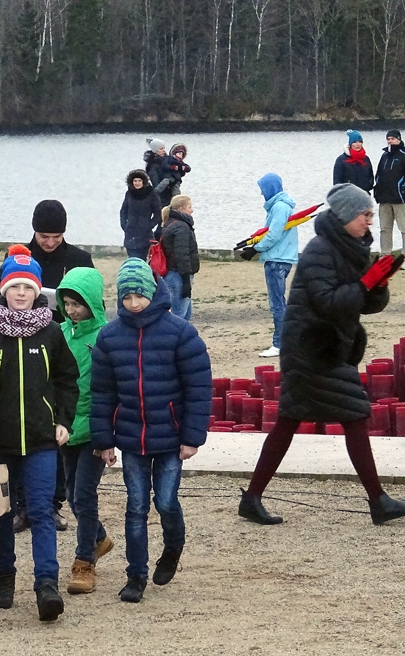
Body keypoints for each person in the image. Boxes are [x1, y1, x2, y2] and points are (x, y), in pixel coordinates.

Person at [238, 184, 405, 527]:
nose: (370, 222)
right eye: (365, 215)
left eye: (371, 215)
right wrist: (365, 283)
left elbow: (364, 304)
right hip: (311, 349)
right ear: (345, 216)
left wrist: (380, 283)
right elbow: (329, 302)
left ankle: (252, 498)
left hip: (328, 347)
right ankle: (379, 502)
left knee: (292, 420)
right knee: (352, 414)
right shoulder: (319, 251)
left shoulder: (349, 248)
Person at [90, 258, 212, 603]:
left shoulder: (181, 332)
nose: (133, 304)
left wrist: (192, 437)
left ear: (153, 292)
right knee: (136, 506)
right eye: (126, 298)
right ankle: (136, 576)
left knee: (167, 501)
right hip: (132, 439)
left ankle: (173, 546)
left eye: (139, 296)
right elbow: (102, 393)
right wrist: (104, 440)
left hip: (172, 438)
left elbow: (198, 387)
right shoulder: (110, 337)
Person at [0, 245, 79, 622]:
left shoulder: (50, 333)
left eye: (27, 288)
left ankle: (46, 585)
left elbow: (67, 380)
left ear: (37, 292)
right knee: (1, 514)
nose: (20, 293)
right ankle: (3, 578)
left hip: (42, 442)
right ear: (3, 290)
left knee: (41, 511)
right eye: (14, 286)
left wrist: (63, 419)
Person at [0, 198, 93, 532]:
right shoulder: (18, 258)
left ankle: (51, 504)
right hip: (19, 346)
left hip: (58, 343)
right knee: (21, 429)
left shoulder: (78, 259)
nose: (49, 243)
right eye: (43, 236)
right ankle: (21, 505)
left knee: (55, 430)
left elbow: (92, 304)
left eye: (56, 237)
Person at [54, 267, 113, 595]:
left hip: (94, 429)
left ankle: (84, 562)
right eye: (67, 303)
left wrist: (108, 433)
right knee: (72, 491)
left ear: (93, 302)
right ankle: (100, 538)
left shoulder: (105, 336)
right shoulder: (59, 333)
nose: (73, 309)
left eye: (78, 303)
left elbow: (111, 389)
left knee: (83, 495)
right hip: (64, 428)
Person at [239, 173, 297, 358]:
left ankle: (280, 344)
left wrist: (255, 249)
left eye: (263, 190)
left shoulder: (280, 207)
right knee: (279, 302)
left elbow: (274, 234)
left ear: (270, 189)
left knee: (277, 303)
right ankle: (288, 341)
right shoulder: (280, 206)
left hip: (277, 259)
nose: (261, 194)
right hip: (280, 257)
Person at [160, 195, 200, 321]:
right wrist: (186, 280)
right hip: (178, 275)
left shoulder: (171, 223)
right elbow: (181, 255)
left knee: (184, 316)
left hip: (174, 273)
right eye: (190, 207)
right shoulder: (181, 227)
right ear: (182, 209)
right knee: (178, 317)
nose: (192, 210)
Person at [374, 129, 405, 255]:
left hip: (400, 198)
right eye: (388, 139)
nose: (390, 141)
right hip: (384, 198)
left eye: (392, 138)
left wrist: (401, 188)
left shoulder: (403, 154)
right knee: (384, 229)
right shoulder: (385, 155)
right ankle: (385, 255)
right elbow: (378, 174)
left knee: (404, 229)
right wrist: (378, 189)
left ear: (399, 139)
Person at [120, 170, 163, 260]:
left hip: (145, 233)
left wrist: (149, 225)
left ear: (144, 181)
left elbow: (158, 213)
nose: (137, 183)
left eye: (139, 181)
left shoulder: (151, 194)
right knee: (131, 258)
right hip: (130, 231)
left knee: (142, 259)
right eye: (135, 181)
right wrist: (124, 225)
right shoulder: (129, 193)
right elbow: (123, 211)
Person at [143, 138, 172, 207]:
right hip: (162, 198)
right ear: (155, 151)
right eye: (161, 149)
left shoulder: (167, 161)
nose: (164, 150)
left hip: (170, 194)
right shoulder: (152, 166)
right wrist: (167, 181)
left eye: (164, 148)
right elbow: (156, 185)